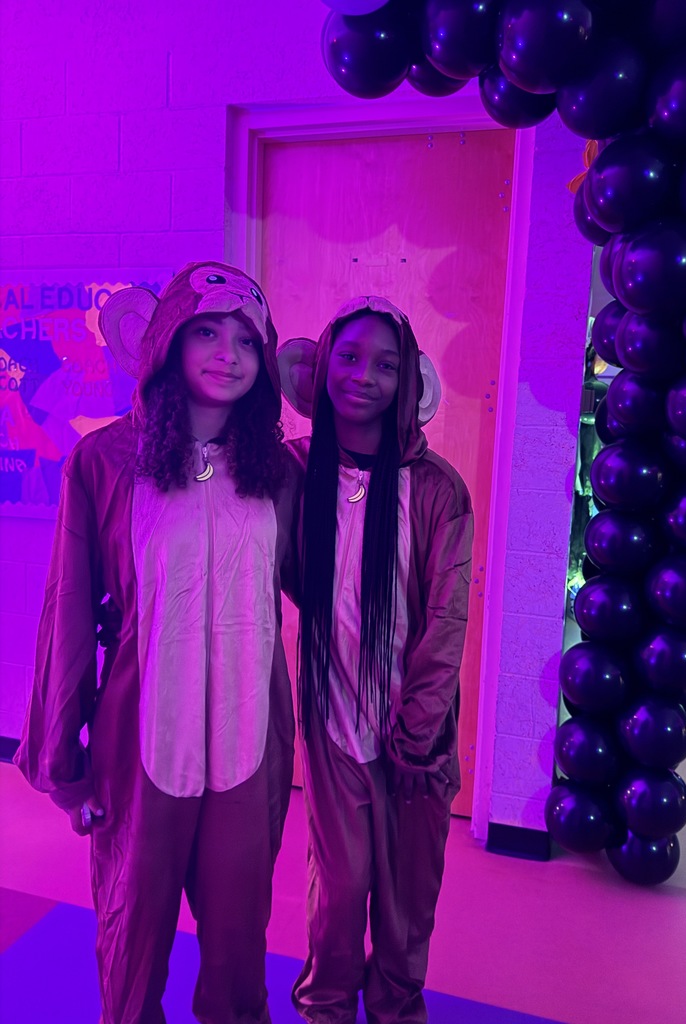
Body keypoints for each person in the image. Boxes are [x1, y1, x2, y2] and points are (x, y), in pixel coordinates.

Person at [14, 262, 298, 1024]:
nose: (228, 352)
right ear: (169, 338)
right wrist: (63, 761)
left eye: (247, 338)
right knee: (133, 933)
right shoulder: (105, 461)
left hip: (249, 740)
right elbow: (68, 614)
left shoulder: (281, 468)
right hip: (139, 737)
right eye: (207, 330)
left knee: (240, 941)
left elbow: (331, 588)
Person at [278, 296, 473, 1024]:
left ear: (406, 382)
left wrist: (418, 733)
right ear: (324, 363)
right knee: (338, 889)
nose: (363, 375)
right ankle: (325, 1007)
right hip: (331, 723)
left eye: (386, 365)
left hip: (416, 739)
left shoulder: (437, 489)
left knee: (405, 905)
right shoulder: (294, 471)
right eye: (351, 357)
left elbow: (445, 622)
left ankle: (395, 1010)